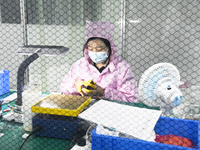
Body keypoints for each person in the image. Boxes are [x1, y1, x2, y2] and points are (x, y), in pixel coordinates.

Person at [60, 21, 138, 102]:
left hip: (111, 112)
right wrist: (75, 86)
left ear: (109, 48)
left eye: (99, 49)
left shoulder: (121, 67)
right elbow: (63, 89)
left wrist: (103, 92)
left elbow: (130, 99)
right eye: (90, 48)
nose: (94, 52)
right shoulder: (80, 65)